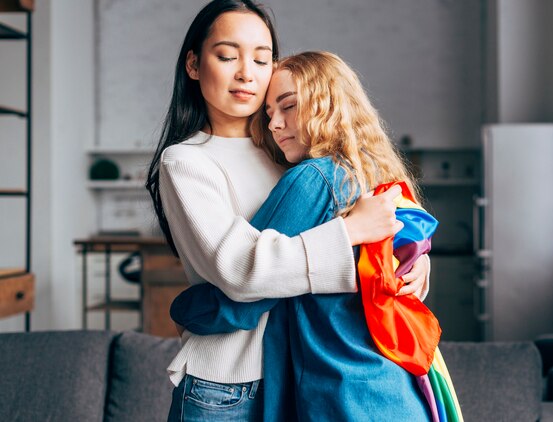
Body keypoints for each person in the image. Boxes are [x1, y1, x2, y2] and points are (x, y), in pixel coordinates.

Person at [144, 2, 430, 421]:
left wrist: (412, 264)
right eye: (227, 56)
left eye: (261, 59)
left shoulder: (292, 155)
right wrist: (351, 236)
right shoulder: (186, 162)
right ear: (193, 64)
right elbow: (241, 270)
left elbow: (385, 225)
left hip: (295, 378)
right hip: (224, 385)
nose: (246, 73)